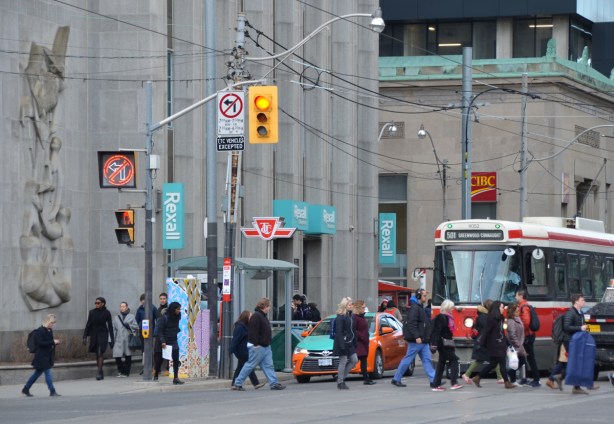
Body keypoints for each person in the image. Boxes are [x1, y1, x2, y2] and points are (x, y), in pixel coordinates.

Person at [545, 293, 597, 394]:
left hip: (576, 340)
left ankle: (557, 378)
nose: (584, 301)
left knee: (565, 362)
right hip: (570, 341)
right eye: (582, 300)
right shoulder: (571, 313)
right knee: (576, 362)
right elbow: (566, 327)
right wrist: (580, 328)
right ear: (576, 301)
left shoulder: (579, 312)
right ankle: (573, 385)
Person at [232, 298, 286, 391]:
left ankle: (274, 383)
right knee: (250, 365)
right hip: (259, 346)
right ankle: (238, 383)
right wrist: (255, 344)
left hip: (264, 346)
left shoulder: (260, 316)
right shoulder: (257, 316)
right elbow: (253, 331)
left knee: (266, 365)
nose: (269, 308)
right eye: (268, 306)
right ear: (264, 307)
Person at [390, 288, 437, 390]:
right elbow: (411, 324)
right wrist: (417, 336)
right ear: (419, 296)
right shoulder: (415, 308)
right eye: (424, 295)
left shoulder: (419, 307)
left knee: (427, 360)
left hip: (422, 340)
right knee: (408, 359)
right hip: (418, 340)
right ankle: (396, 378)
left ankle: (434, 380)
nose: (426, 297)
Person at [472, 301, 515, 389]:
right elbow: (486, 331)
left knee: (493, 364)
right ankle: (507, 382)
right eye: (502, 307)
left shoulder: (500, 318)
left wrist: (507, 342)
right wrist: (481, 343)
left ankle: (478, 377)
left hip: (500, 343)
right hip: (495, 345)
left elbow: (501, 332)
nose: (504, 309)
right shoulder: (491, 318)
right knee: (502, 363)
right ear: (497, 308)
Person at [462, 299, 504, 384]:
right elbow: (488, 330)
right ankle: (499, 377)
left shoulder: (483, 316)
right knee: (491, 359)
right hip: (484, 343)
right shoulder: (485, 317)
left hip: (483, 342)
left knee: (484, 360)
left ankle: (467, 374)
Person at [22, 314, 61, 397]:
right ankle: (52, 391)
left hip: (47, 355)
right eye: (52, 323)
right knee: (48, 373)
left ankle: (26, 389)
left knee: (36, 374)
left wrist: (54, 343)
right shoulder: (40, 331)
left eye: (54, 323)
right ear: (48, 321)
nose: (53, 325)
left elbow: (48, 342)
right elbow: (40, 343)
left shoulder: (49, 330)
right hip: (41, 356)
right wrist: (53, 342)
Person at [430, 299, 463, 391]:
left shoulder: (447, 317)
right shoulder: (442, 317)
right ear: (447, 308)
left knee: (441, 363)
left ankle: (436, 384)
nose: (452, 310)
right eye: (451, 308)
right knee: (454, 360)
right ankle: (454, 382)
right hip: (443, 343)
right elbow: (437, 331)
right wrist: (434, 344)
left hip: (445, 342)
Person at [229, 310, 265, 389]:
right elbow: (236, 339)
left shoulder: (245, 326)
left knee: (241, 367)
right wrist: (231, 350)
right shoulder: (240, 327)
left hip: (244, 350)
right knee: (249, 366)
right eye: (250, 316)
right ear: (246, 317)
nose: (251, 318)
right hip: (241, 351)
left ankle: (234, 384)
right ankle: (255, 383)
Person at [83, 296, 114, 380]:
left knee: (100, 351)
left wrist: (112, 339)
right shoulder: (92, 312)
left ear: (103, 304)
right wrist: (84, 336)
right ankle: (100, 370)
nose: (96, 304)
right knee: (97, 353)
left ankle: (99, 372)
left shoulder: (107, 313)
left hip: (103, 334)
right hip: (94, 335)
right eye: (95, 303)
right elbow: (88, 324)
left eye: (98, 303)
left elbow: (110, 326)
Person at [516, 289, 541, 387]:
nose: (515, 297)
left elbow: (526, 321)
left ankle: (536, 379)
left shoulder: (524, 307)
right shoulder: (524, 306)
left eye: (516, 295)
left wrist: (519, 329)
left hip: (526, 336)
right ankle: (525, 378)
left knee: (530, 358)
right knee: (523, 357)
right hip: (527, 335)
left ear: (521, 296)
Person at [333, 297, 358, 389]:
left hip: (350, 342)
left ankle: (341, 377)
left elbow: (353, 330)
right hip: (342, 342)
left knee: (354, 360)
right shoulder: (340, 317)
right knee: (343, 361)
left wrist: (355, 341)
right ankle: (340, 382)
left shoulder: (351, 316)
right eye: (349, 304)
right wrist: (341, 344)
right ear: (345, 306)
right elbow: (338, 332)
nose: (351, 306)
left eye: (352, 304)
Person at [158, 301, 184, 385]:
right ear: (173, 309)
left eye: (179, 309)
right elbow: (160, 330)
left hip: (174, 340)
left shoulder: (177, 317)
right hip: (166, 341)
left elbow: (175, 327)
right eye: (177, 309)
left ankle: (175, 377)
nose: (178, 311)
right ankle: (155, 374)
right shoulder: (165, 318)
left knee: (176, 360)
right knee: (162, 359)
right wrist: (163, 341)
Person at [112, 301, 139, 377]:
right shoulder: (116, 317)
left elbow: (136, 327)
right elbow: (113, 329)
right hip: (118, 339)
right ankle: (121, 370)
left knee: (128, 355)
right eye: (121, 306)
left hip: (128, 338)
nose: (122, 308)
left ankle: (126, 372)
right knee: (117, 355)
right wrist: (111, 340)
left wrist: (129, 326)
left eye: (124, 306)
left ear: (127, 307)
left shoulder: (131, 316)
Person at [353, 300, 375, 385]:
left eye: (364, 307)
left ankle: (366, 378)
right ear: (358, 308)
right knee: (355, 360)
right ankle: (341, 376)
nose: (364, 309)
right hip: (359, 342)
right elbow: (354, 330)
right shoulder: (355, 317)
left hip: (364, 342)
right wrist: (361, 336)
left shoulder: (362, 317)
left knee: (363, 361)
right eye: (363, 307)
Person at [505, 302, 527, 386]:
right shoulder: (511, 321)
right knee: (517, 361)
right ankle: (512, 378)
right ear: (512, 311)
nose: (518, 310)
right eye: (516, 309)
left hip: (519, 344)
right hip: (516, 345)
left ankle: (512, 378)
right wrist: (517, 344)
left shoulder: (517, 319)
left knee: (520, 361)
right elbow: (512, 334)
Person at [153, 292, 169, 380]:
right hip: (158, 333)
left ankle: (167, 369)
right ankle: (157, 369)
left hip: (166, 333)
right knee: (157, 353)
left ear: (166, 299)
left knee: (167, 351)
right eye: (161, 299)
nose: (162, 300)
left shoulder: (168, 309)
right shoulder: (158, 310)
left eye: (164, 299)